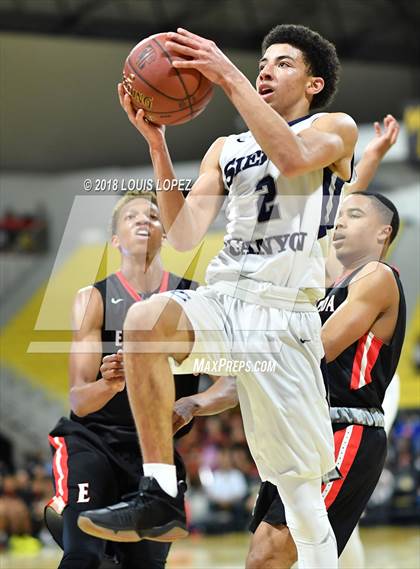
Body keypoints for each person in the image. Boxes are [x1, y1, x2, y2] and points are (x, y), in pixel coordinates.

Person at [79, 24, 358, 568]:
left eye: (282, 63)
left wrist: (227, 75)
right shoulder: (225, 149)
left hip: (283, 317)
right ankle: (159, 491)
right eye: (261, 62)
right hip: (226, 297)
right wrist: (156, 142)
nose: (264, 69)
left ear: (314, 83)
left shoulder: (334, 127)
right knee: (144, 319)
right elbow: (182, 236)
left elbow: (296, 158)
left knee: (299, 495)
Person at [246, 191, 406, 569]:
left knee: (272, 553)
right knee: (264, 556)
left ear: (383, 233)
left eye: (354, 215)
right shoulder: (329, 288)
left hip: (345, 428)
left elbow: (320, 347)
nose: (340, 222)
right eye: (339, 216)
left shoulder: (377, 276)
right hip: (303, 427)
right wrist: (196, 403)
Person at [46, 192, 199, 569]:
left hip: (154, 452)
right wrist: (109, 385)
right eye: (132, 217)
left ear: (165, 234)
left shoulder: (194, 297)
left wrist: (195, 404)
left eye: (153, 215)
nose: (145, 221)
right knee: (82, 555)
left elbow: (229, 383)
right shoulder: (92, 299)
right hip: (91, 441)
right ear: (115, 240)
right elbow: (79, 401)